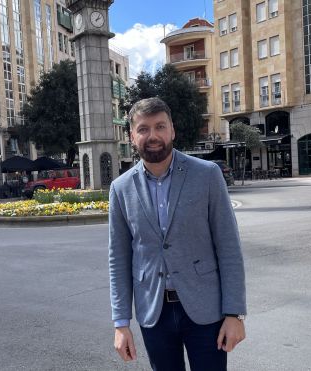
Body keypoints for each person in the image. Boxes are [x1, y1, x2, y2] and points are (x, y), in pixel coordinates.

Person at [109, 97, 246, 371]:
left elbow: (228, 247)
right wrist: (121, 323)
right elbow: (119, 259)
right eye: (143, 128)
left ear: (172, 130)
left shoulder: (207, 175)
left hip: (206, 309)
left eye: (160, 126)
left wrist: (234, 313)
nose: (153, 135)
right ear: (132, 136)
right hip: (154, 312)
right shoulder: (121, 188)